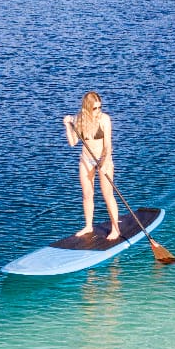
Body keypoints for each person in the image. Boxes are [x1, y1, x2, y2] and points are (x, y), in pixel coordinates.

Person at [62, 91, 121, 240]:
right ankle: (88, 226)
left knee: (107, 194)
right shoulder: (79, 120)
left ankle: (116, 229)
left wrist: (104, 161)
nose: (98, 110)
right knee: (87, 194)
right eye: (95, 108)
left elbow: (108, 145)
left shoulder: (105, 119)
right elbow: (73, 142)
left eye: (100, 107)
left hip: (103, 159)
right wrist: (68, 125)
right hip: (86, 160)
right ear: (87, 108)